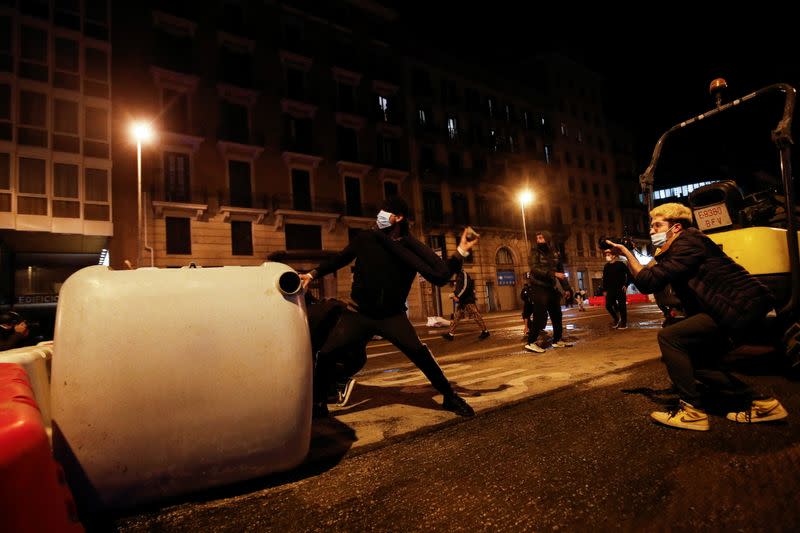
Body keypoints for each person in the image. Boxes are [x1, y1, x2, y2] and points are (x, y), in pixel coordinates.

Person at [606, 202, 788, 431]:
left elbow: (648, 281)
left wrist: (626, 253)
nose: (652, 230)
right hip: (733, 309)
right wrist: (627, 255)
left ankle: (691, 411)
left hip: (738, 308)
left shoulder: (689, 243)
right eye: (651, 226)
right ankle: (762, 404)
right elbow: (648, 278)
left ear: (676, 227)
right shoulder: (679, 247)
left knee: (670, 337)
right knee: (696, 362)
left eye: (658, 225)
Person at [300, 196, 476, 418]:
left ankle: (449, 397)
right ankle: (318, 401)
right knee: (326, 353)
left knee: (420, 354)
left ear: (399, 217)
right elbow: (340, 259)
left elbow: (440, 275)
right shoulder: (366, 238)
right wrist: (312, 274)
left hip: (391, 316)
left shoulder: (411, 247)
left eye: (385, 212)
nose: (379, 216)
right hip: (359, 313)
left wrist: (460, 252)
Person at [523, 231, 573, 353]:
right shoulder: (535, 251)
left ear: (547, 239)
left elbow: (561, 272)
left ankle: (557, 340)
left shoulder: (555, 253)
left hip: (550, 287)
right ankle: (531, 342)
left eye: (541, 238)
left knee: (557, 314)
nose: (538, 240)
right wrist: (553, 273)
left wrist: (567, 288)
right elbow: (534, 268)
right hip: (538, 286)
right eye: (537, 238)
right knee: (539, 315)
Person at [442, 268, 489, 341]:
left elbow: (465, 287)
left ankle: (485, 331)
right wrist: (454, 293)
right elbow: (459, 288)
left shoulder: (463, 274)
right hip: (462, 301)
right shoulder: (458, 276)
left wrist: (457, 296)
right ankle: (451, 334)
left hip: (467, 300)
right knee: (456, 317)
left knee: (475, 315)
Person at [602, 248, 630, 329]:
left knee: (622, 306)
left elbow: (629, 275)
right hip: (610, 290)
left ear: (614, 256)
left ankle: (624, 323)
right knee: (608, 306)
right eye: (606, 255)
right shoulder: (606, 266)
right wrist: (604, 289)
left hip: (620, 289)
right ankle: (616, 319)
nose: (607, 257)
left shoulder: (621, 264)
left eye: (608, 255)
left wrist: (626, 285)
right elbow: (605, 279)